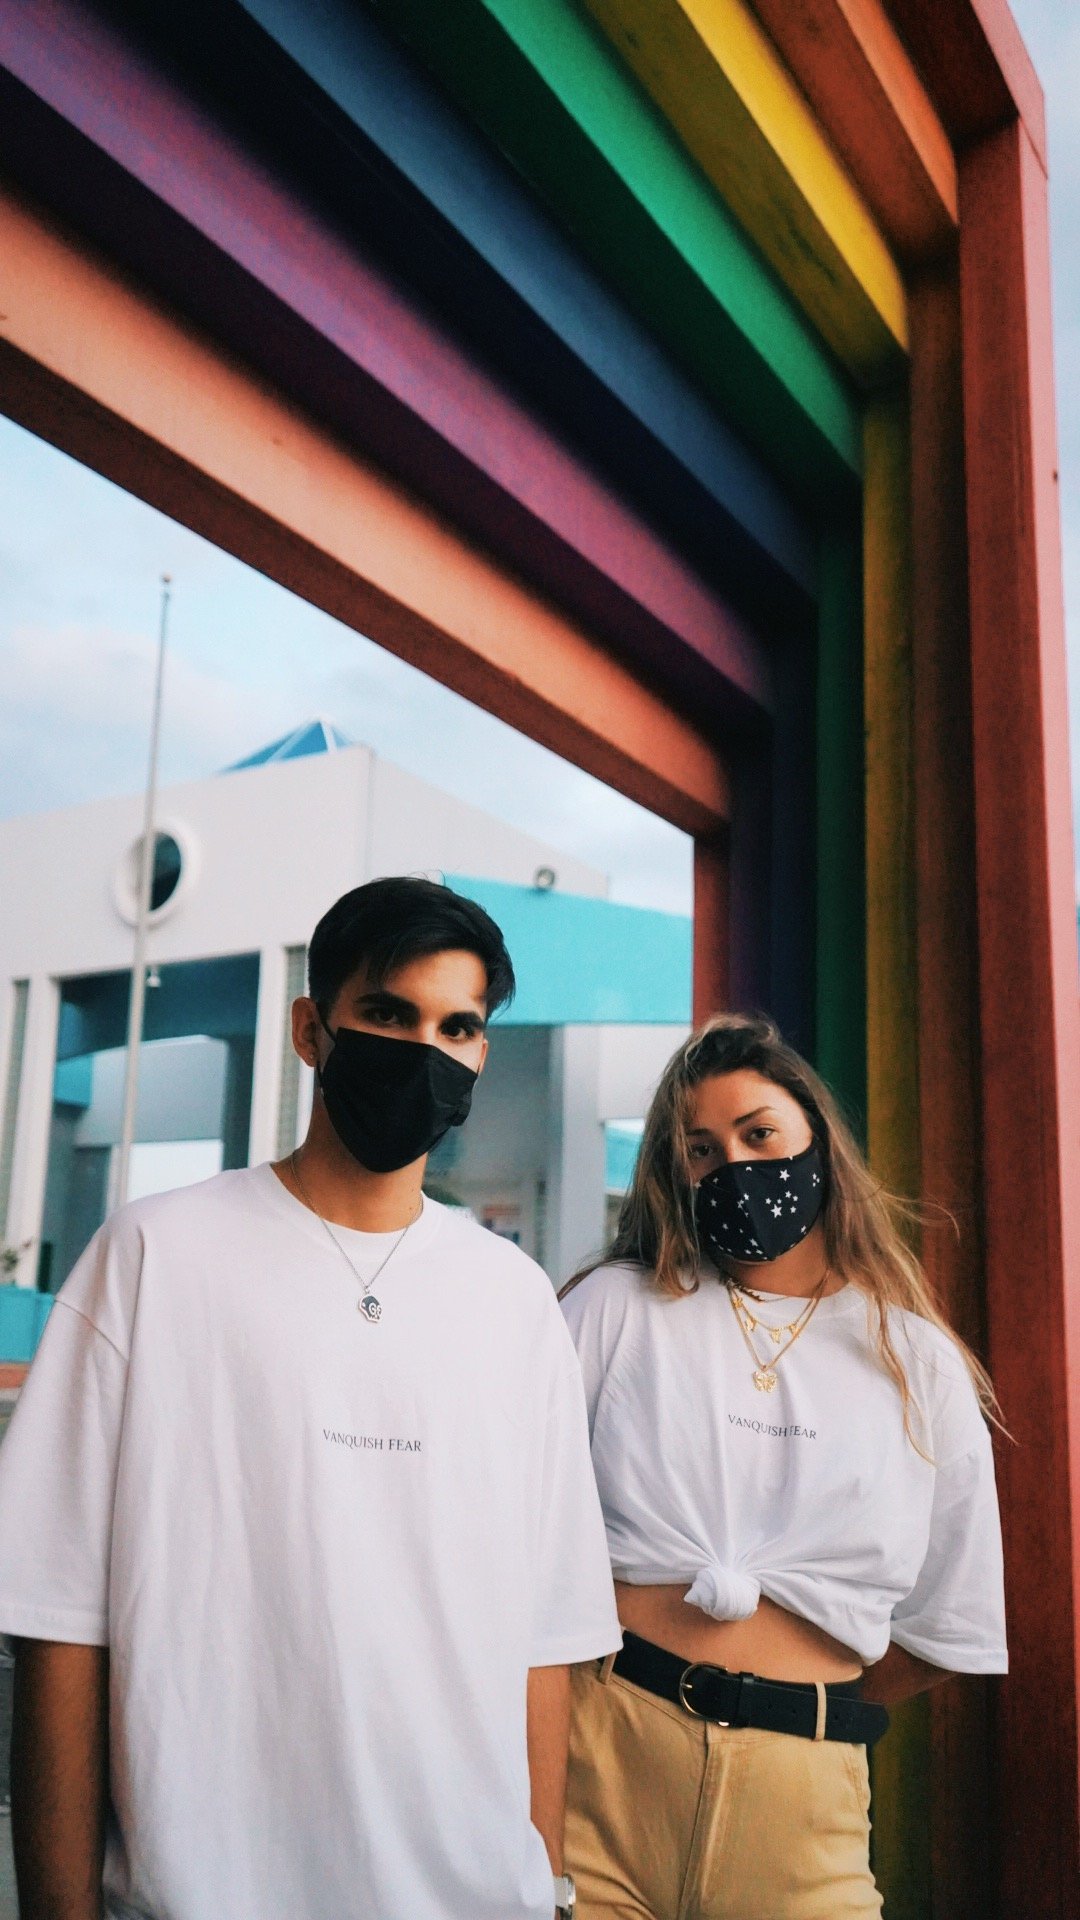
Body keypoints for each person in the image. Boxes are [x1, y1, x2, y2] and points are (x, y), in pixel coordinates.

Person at [0, 876, 619, 1920]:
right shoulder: (152, 1256)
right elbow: (59, 1629)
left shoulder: (515, 1303)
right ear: (309, 1028)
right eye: (387, 1014)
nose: (426, 1050)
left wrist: (547, 1882)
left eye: (458, 1026)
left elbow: (541, 1642)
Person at [560, 1013, 1007, 1920]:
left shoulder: (916, 1362)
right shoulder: (616, 1308)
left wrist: (800, 1704)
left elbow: (947, 1620)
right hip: (604, 1753)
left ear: (818, 1145)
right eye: (701, 1150)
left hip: (804, 1794)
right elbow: (519, 1534)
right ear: (672, 1174)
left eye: (758, 1133)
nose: (734, 1165)